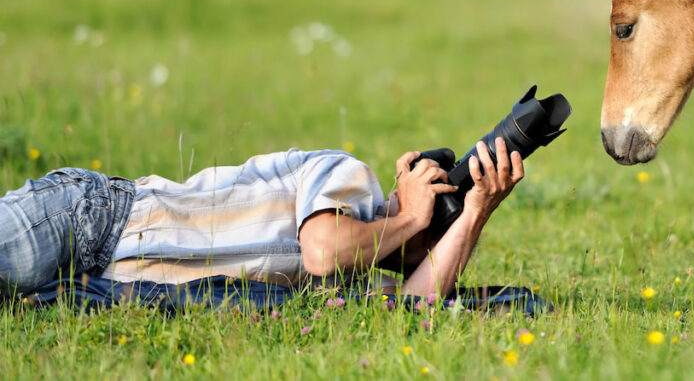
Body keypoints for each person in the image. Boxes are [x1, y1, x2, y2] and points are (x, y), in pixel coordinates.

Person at [0, 137, 524, 299]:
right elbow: (322, 251)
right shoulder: (346, 175)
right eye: (429, 238)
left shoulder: (353, 283)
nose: (417, 257)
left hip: (101, 284)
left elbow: (419, 305)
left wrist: (475, 211)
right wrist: (411, 216)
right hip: (92, 216)